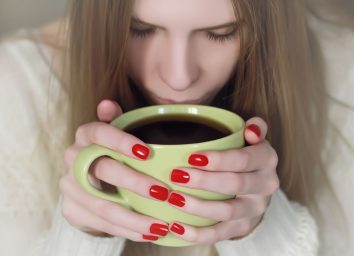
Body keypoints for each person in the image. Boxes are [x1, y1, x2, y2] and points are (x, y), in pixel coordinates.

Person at [0, 0, 352, 255]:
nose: (178, 79)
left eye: (219, 33)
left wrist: (263, 232)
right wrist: (82, 238)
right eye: (140, 29)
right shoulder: (15, 89)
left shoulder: (343, 75)